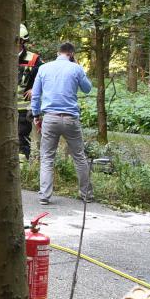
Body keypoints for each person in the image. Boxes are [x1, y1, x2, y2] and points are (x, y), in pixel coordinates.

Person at [31, 42, 93, 205]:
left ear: (58, 53)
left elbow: (36, 95)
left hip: (50, 118)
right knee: (79, 156)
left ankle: (45, 195)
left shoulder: (43, 68)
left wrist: (36, 115)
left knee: (47, 157)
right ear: (71, 54)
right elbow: (87, 89)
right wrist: (79, 68)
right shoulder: (76, 69)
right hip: (71, 118)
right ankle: (86, 194)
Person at [17, 24, 43, 161]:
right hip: (2, 106)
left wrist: (35, 89)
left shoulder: (34, 59)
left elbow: (46, 77)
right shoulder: (1, 55)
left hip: (23, 107)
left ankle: (22, 167)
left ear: (22, 41)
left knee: (22, 138)